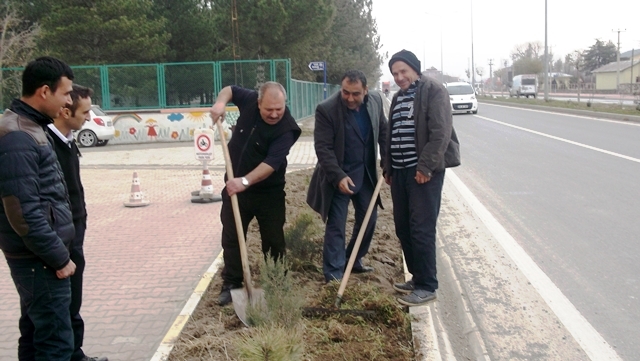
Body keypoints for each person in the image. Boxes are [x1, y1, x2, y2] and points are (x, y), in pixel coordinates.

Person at [0, 56, 77, 360]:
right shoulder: (18, 135)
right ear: (45, 91)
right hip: (40, 260)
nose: (69, 100)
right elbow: (23, 211)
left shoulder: (30, 126)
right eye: (66, 92)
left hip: (38, 258)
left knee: (35, 336)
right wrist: (59, 258)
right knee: (55, 344)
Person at [209, 82, 301, 306]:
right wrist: (220, 103)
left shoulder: (287, 129)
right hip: (235, 190)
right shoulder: (249, 99)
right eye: (269, 109)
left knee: (273, 240)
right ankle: (232, 283)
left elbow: (271, 163)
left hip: (268, 193)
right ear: (258, 102)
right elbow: (229, 89)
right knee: (231, 238)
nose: (274, 114)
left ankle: (277, 282)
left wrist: (245, 181)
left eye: (279, 109)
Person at [385, 50, 460, 306]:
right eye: (395, 73)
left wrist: (425, 167)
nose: (399, 77)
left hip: (423, 174)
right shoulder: (398, 97)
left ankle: (428, 285)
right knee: (403, 226)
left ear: (415, 69)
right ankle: (417, 278)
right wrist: (388, 167)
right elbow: (391, 133)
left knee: (421, 228)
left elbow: (441, 132)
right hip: (401, 172)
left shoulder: (433, 91)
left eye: (403, 71)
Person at [307, 70, 387, 282]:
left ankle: (353, 259)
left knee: (369, 220)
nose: (350, 98)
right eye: (345, 92)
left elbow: (384, 134)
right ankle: (333, 273)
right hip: (339, 176)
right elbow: (323, 148)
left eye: (355, 94)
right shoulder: (327, 110)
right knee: (337, 225)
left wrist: (387, 164)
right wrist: (339, 176)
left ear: (365, 91)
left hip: (366, 174)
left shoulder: (376, 102)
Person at [47, 85, 109, 361]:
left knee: (73, 299)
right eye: (84, 112)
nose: (88, 117)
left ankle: (75, 353)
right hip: (59, 237)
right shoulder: (47, 144)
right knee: (58, 306)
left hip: (75, 231)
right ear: (65, 110)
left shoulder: (68, 141)